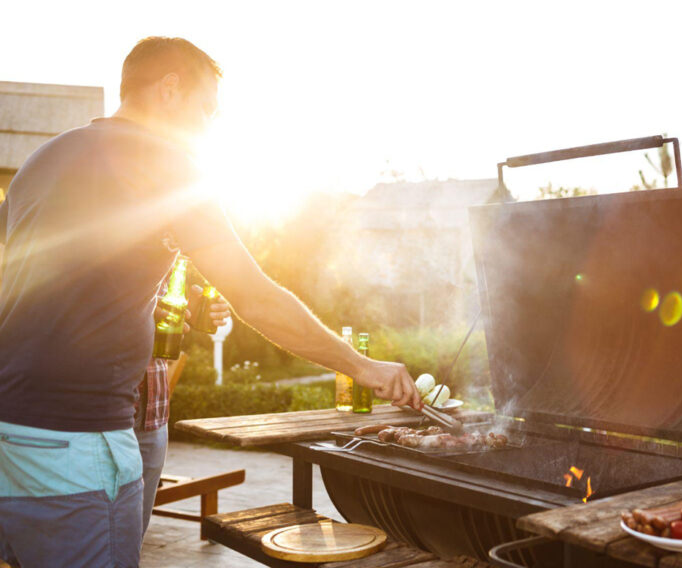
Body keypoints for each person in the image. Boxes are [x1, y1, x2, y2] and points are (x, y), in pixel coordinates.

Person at [0, 36, 421, 568]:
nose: (208, 128)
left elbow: (45, 289)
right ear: (170, 90)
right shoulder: (167, 166)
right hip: (76, 444)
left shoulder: (45, 158)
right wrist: (362, 366)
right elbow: (255, 297)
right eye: (206, 110)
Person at [135, 278, 231, 536]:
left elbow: (167, 312)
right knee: (86, 540)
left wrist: (193, 309)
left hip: (153, 414)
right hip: (102, 412)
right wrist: (138, 313)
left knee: (131, 541)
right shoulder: (102, 244)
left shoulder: (168, 253)